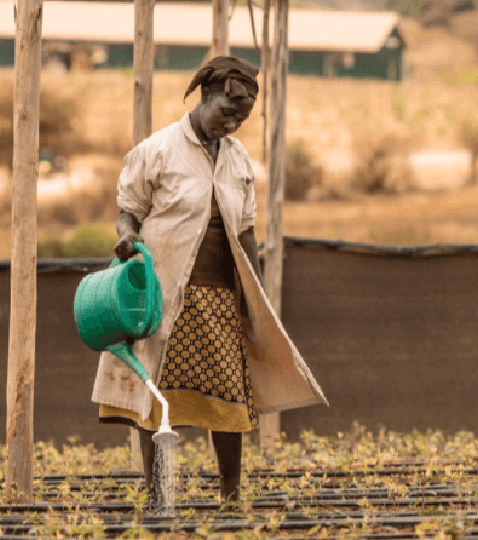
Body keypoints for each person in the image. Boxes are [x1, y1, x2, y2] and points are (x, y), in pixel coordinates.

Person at [91, 56, 326, 506]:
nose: (233, 124)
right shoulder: (158, 150)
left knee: (230, 401)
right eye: (226, 113)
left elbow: (246, 231)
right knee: (157, 399)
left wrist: (254, 296)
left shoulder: (238, 160)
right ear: (205, 97)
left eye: (241, 118)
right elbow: (129, 210)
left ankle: (231, 496)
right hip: (165, 296)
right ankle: (161, 497)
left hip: (220, 298)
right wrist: (126, 236)